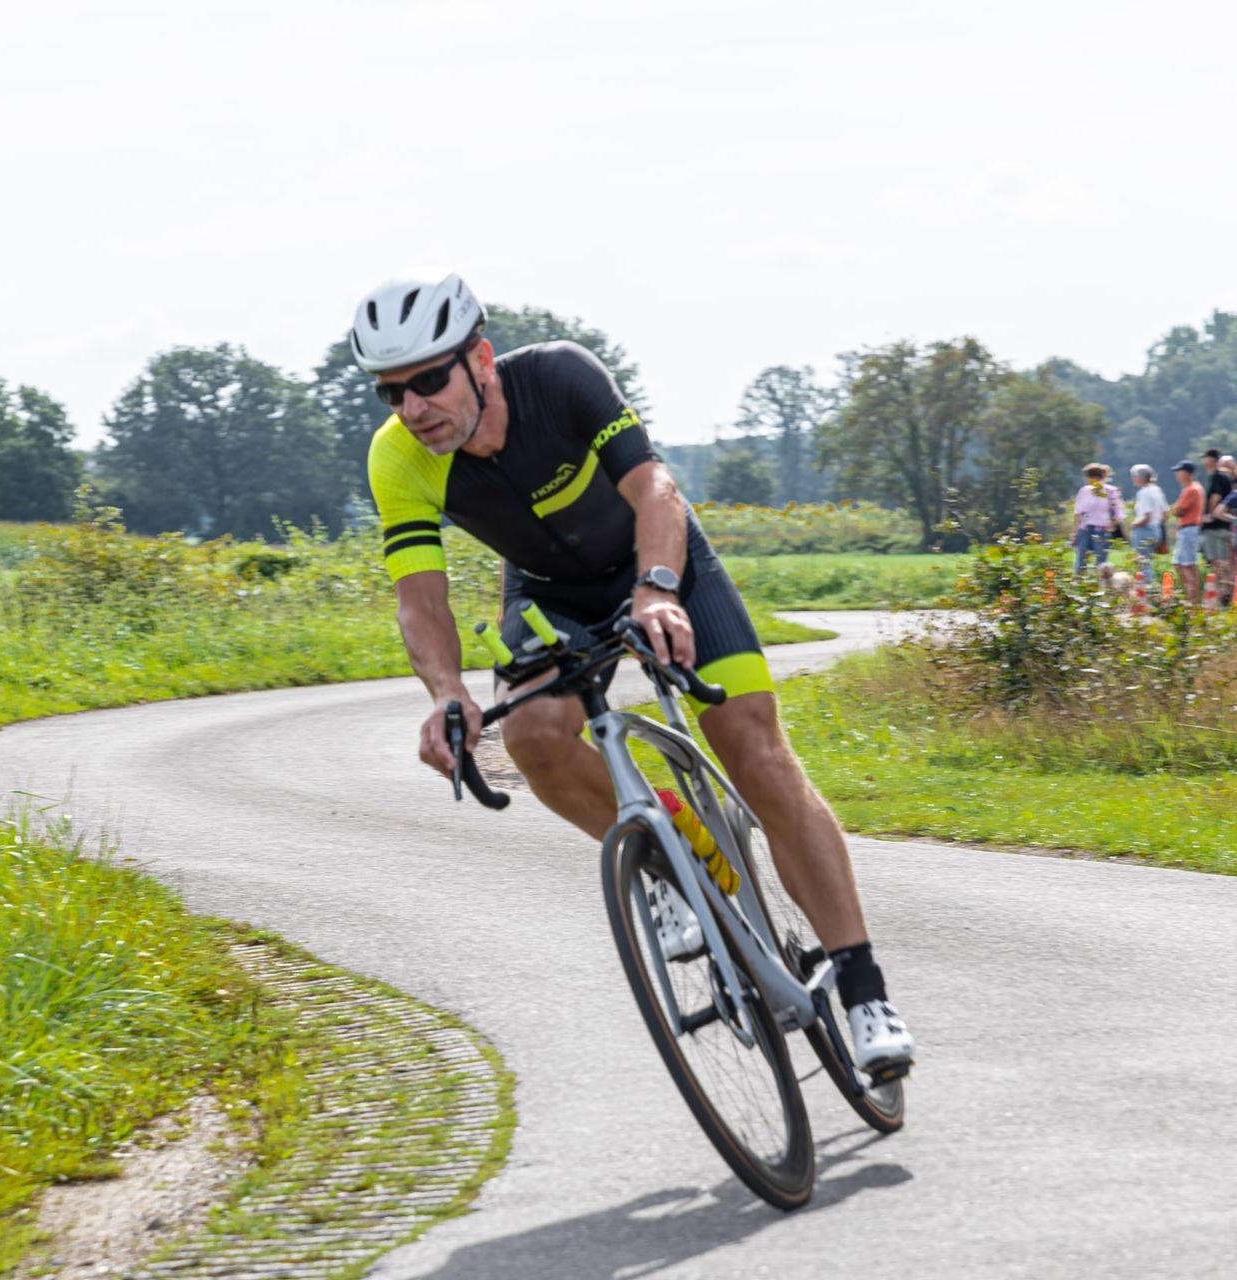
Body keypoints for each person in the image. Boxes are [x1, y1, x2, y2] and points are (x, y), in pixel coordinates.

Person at [353, 274, 914, 1073]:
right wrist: (446, 694)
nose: (412, 408)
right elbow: (421, 597)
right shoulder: (399, 459)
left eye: (428, 380)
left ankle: (863, 990)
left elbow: (654, 484)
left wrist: (657, 588)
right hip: (550, 594)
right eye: (391, 393)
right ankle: (668, 862)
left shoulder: (560, 377)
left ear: (480, 359)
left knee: (756, 753)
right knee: (536, 735)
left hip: (660, 560)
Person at [1070, 463, 1125, 576]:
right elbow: (1078, 513)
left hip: (1101, 530)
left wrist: (1112, 525)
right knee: (1081, 561)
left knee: (1100, 564)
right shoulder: (1084, 490)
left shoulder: (1110, 491)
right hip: (1085, 529)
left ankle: (1100, 587)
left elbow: (1118, 513)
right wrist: (1075, 532)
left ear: (1093, 477)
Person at [1200, 448, 1237, 606]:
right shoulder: (1222, 477)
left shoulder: (1216, 477)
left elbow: (1215, 497)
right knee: (1221, 562)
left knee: (1219, 562)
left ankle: (1226, 595)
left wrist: (1208, 514)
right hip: (1221, 526)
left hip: (1215, 527)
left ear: (1212, 460)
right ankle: (1225, 594)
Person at [1169, 460, 1204, 606]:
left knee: (1186, 565)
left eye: (1180, 471)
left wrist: (1175, 508)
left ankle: (1193, 599)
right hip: (1189, 529)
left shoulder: (1191, 489)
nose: (1177, 474)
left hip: (1189, 528)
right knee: (1182, 564)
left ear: (1187, 473)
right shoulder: (1194, 488)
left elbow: (1178, 511)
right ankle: (1191, 597)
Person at [1128, 464, 1167, 580]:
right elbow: (1164, 514)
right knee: (1147, 563)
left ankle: (1147, 591)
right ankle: (1150, 589)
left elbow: (1146, 517)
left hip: (1144, 531)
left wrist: (1133, 524)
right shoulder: (1157, 490)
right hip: (1156, 530)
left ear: (1141, 477)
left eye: (1134, 476)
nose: (1133, 479)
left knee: (1142, 564)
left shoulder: (1143, 492)